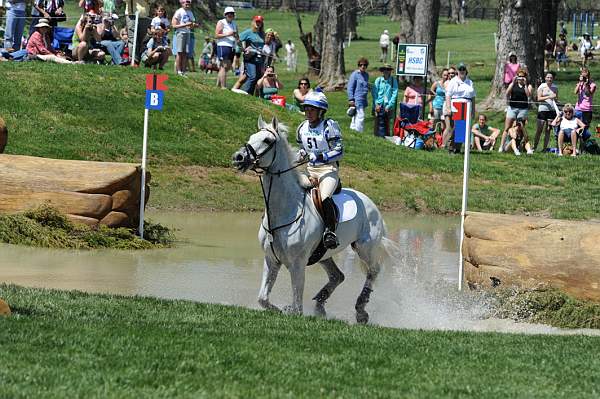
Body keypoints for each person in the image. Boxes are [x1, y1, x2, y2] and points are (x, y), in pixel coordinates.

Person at [295, 91, 343, 249]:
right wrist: (300, 156)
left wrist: (321, 157)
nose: (308, 112)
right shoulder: (302, 127)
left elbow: (339, 151)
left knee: (323, 198)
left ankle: (330, 232)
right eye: (307, 109)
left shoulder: (329, 126)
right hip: (309, 171)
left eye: (312, 109)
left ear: (320, 111)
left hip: (327, 171)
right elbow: (302, 148)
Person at [445, 62, 476, 152]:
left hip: (467, 105)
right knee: (457, 127)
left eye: (463, 69)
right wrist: (448, 107)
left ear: (466, 71)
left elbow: (473, 97)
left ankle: (457, 148)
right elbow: (448, 95)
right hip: (457, 105)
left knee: (463, 128)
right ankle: (450, 146)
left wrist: (473, 110)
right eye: (460, 69)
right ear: (457, 71)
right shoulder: (453, 81)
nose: (462, 71)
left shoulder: (469, 82)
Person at [500, 69, 532, 153]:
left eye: (522, 76)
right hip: (512, 108)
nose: (521, 78)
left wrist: (525, 85)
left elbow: (528, 95)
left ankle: (523, 146)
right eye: (519, 76)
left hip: (522, 109)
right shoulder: (513, 84)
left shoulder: (528, 86)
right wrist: (513, 82)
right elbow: (507, 93)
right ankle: (501, 146)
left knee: (521, 128)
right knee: (507, 128)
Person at [239, 15, 265, 95]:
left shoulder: (262, 34)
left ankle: (249, 95)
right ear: (253, 22)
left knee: (256, 77)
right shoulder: (248, 32)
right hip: (250, 58)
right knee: (252, 76)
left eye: (260, 22)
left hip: (259, 59)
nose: (258, 23)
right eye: (256, 21)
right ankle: (242, 93)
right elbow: (238, 39)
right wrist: (243, 49)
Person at [534, 71, 559, 152]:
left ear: (553, 79)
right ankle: (534, 147)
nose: (549, 79)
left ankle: (544, 149)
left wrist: (556, 99)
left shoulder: (555, 87)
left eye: (551, 78)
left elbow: (556, 99)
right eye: (548, 77)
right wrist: (549, 96)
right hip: (542, 110)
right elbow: (538, 98)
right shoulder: (542, 86)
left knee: (548, 130)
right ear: (545, 78)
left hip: (551, 111)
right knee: (539, 130)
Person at [371, 64, 398, 137]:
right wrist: (376, 104)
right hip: (378, 104)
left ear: (390, 71)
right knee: (377, 121)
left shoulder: (393, 81)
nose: (386, 71)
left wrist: (389, 105)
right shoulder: (378, 80)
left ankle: (386, 136)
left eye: (388, 70)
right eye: (384, 69)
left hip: (388, 105)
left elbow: (394, 94)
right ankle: (376, 136)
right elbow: (374, 93)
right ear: (382, 71)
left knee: (387, 122)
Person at [171, 0, 196, 76]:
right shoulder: (179, 11)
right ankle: (179, 71)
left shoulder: (190, 12)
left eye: (189, 2)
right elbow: (174, 25)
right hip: (180, 33)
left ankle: (183, 71)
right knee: (179, 52)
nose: (187, 4)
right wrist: (185, 25)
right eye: (186, 2)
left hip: (188, 33)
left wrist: (193, 25)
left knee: (185, 53)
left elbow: (192, 23)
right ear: (182, 3)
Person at [215, 6, 238, 88]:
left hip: (232, 46)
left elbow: (237, 36)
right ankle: (223, 87)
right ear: (225, 15)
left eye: (232, 14)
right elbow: (217, 35)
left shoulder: (234, 24)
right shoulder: (221, 22)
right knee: (224, 66)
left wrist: (239, 44)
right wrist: (228, 34)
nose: (230, 15)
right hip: (223, 45)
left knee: (227, 67)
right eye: (228, 14)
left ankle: (217, 85)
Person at [347, 57, 370, 133]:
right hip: (356, 99)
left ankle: (352, 131)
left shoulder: (366, 75)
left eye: (365, 65)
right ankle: (359, 132)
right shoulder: (355, 74)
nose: (363, 66)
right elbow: (350, 87)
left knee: (355, 117)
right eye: (361, 65)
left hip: (363, 100)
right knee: (361, 116)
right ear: (358, 65)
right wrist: (351, 99)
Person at [125, 0, 151, 65]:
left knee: (143, 40)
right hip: (132, 15)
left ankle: (145, 60)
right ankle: (134, 61)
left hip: (144, 16)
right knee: (132, 39)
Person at [574, 67, 596, 131]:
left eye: (585, 76)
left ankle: (584, 141)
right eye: (582, 74)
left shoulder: (593, 85)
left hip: (587, 109)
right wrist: (580, 82)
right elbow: (575, 92)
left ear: (588, 76)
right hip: (578, 108)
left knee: (585, 129)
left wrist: (586, 85)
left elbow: (588, 94)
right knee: (576, 127)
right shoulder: (580, 83)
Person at [441, 66, 457, 148]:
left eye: (452, 73)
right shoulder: (447, 83)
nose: (451, 74)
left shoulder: (456, 81)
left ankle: (450, 144)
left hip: (455, 106)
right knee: (448, 127)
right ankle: (443, 144)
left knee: (453, 127)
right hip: (447, 105)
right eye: (449, 73)